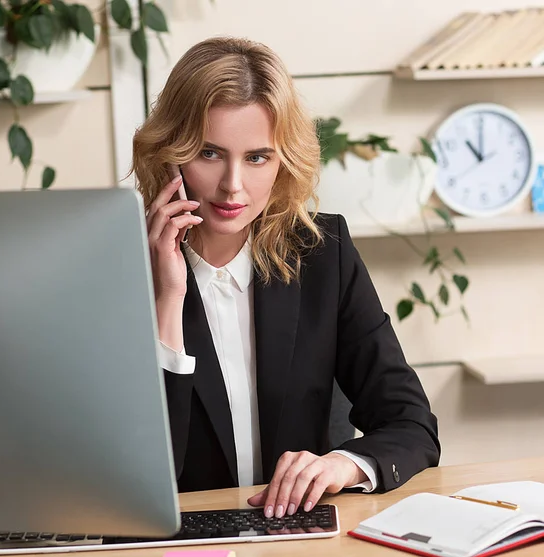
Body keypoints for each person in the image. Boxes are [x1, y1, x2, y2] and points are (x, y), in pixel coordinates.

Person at [131, 36, 440, 521]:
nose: (234, 185)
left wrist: (345, 463)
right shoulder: (118, 270)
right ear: (171, 151)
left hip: (296, 536)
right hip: (175, 541)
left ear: (282, 162)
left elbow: (411, 423)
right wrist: (167, 300)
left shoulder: (323, 255)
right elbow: (141, 478)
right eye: (210, 154)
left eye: (257, 157)